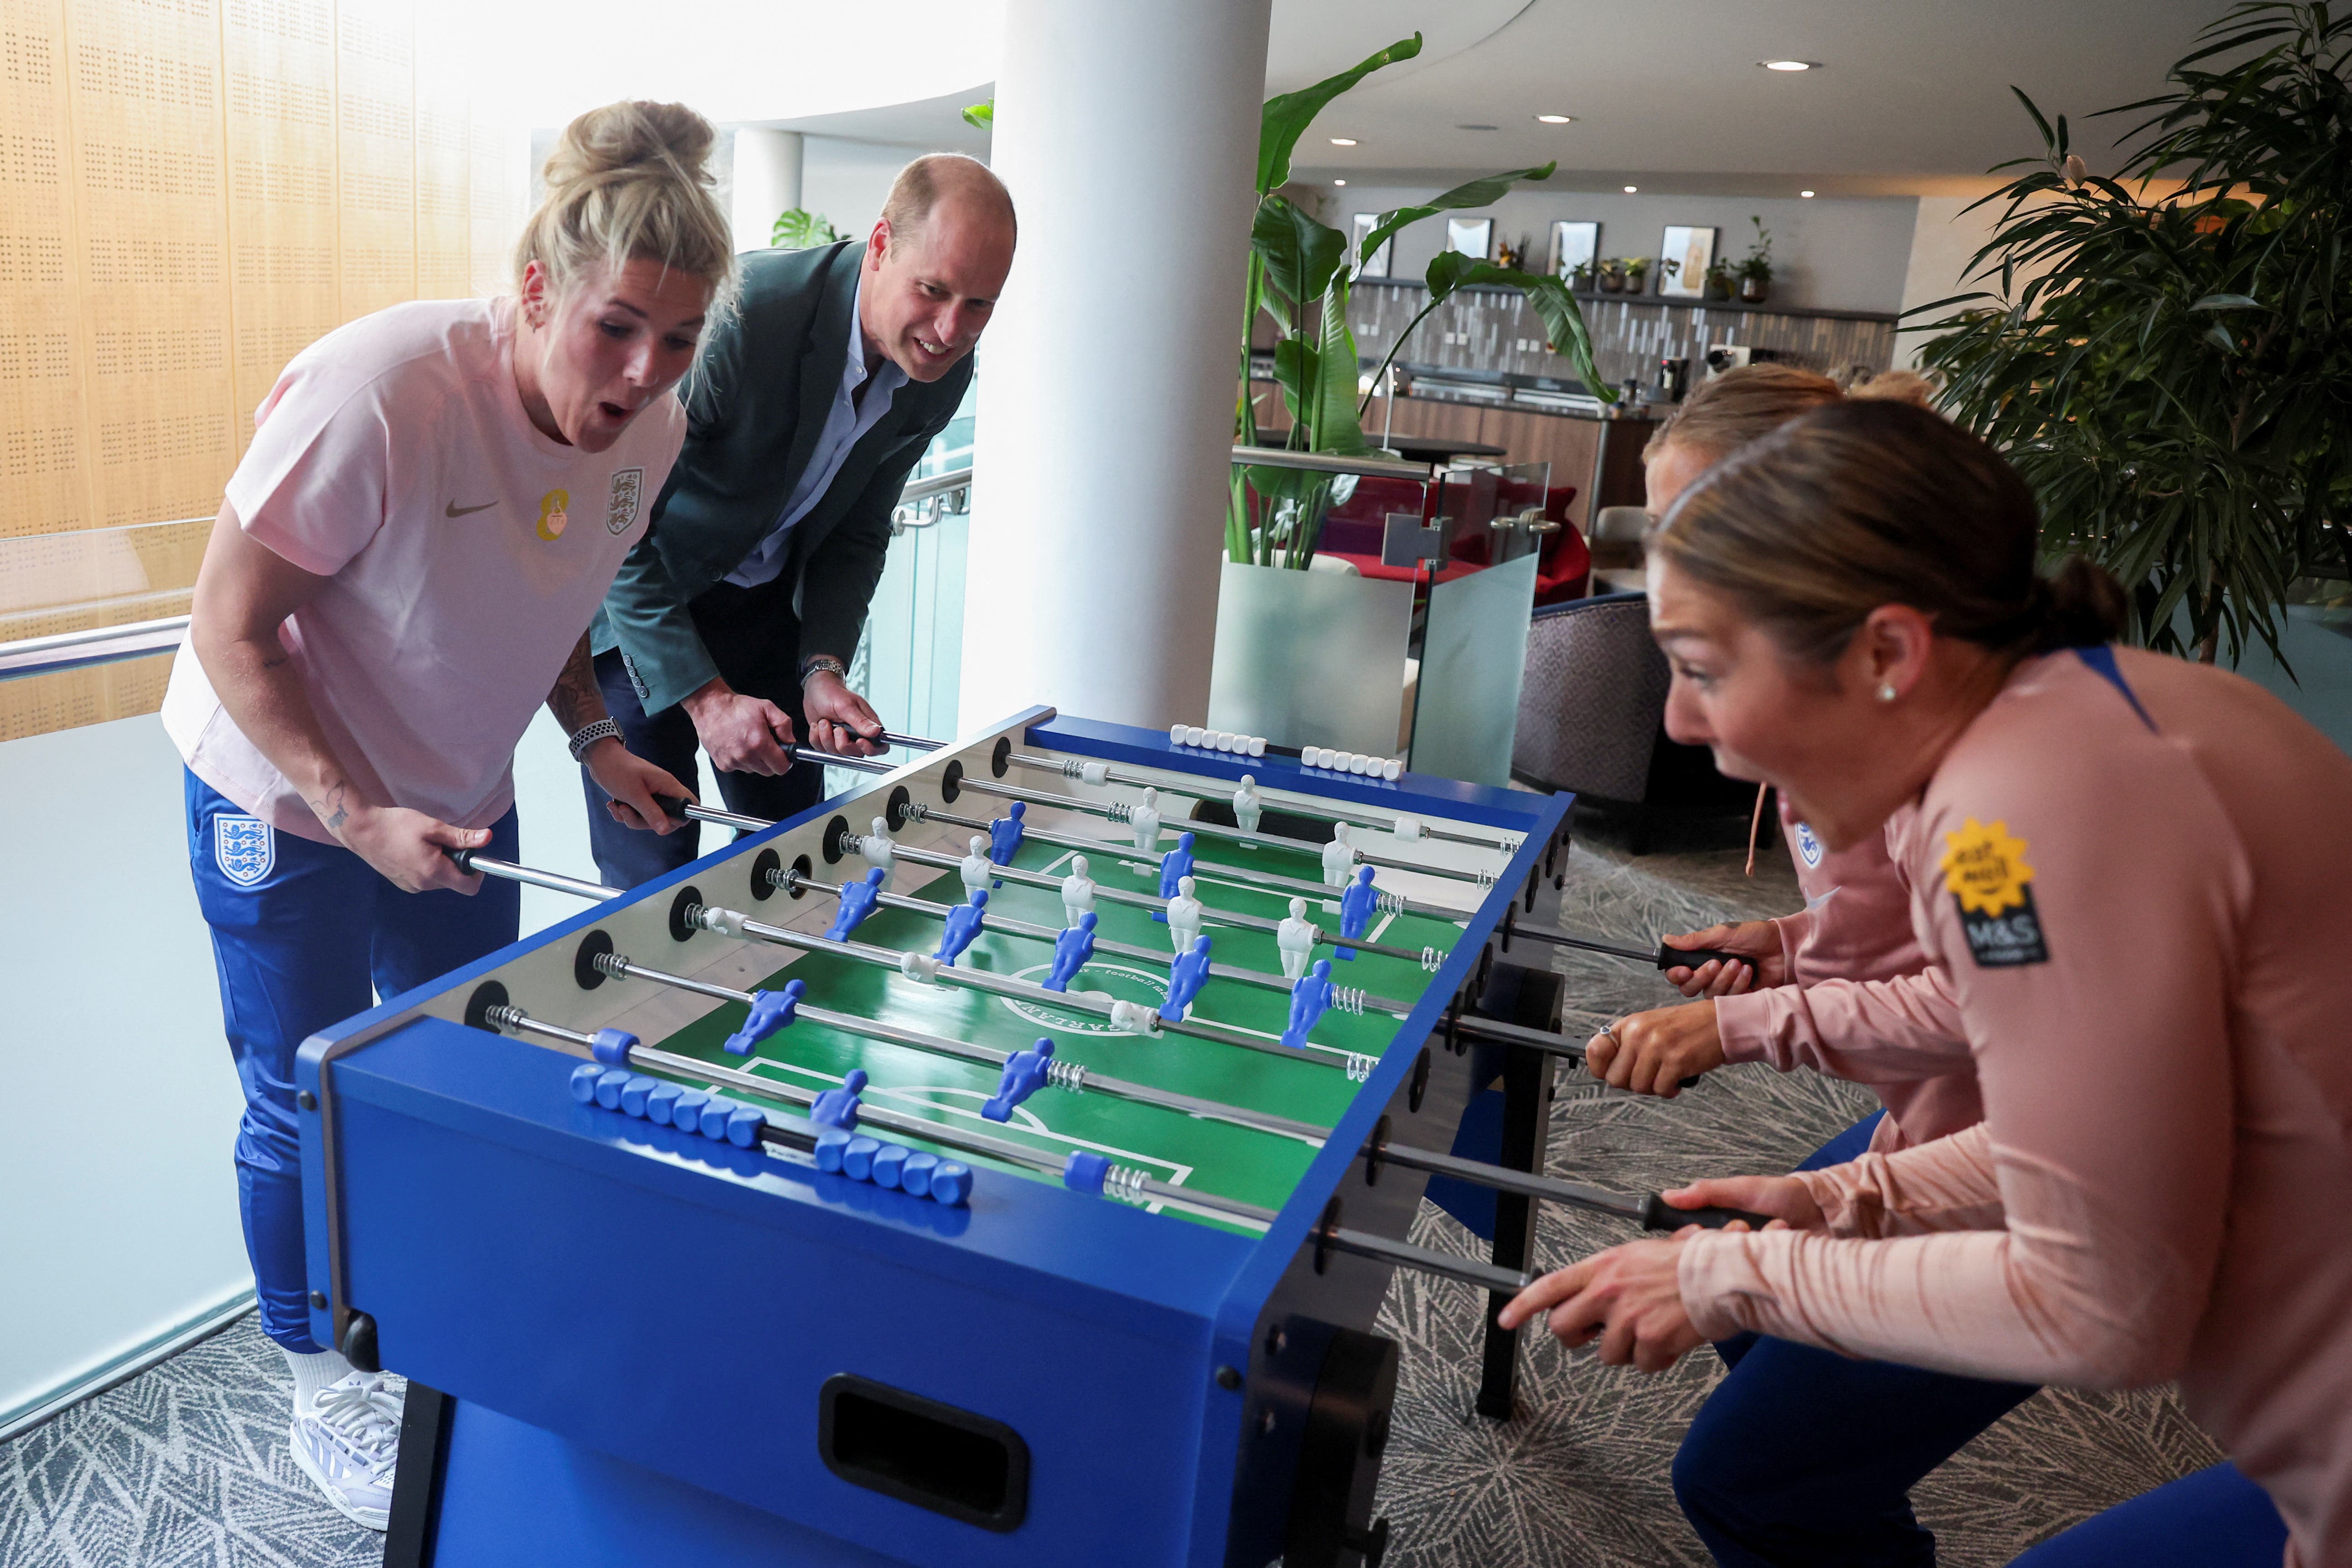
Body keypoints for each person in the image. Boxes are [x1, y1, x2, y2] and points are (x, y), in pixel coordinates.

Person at [1502, 400, 2348, 1566]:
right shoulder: (2064, 724)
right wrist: (1848, 1200)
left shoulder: (2011, 822)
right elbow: (2093, 1127)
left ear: (1889, 653)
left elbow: (2102, 1300)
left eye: (1700, 668)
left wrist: (1733, 1268)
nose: (1676, 720)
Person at [165, 101, 732, 1530]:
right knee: (305, 1092)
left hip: (455, 798)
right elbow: (231, 625)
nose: (647, 370)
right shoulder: (384, 390)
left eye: (679, 337)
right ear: (537, 288)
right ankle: (317, 1389)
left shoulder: (648, 431)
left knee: (468, 1063)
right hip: (285, 794)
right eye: (618, 327)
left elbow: (552, 595)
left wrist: (596, 739)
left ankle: (436, 1327)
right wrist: (354, 812)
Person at [1582, 366, 2017, 1565]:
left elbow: (2008, 1022)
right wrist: (1782, 950)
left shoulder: (1987, 800)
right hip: (1980, 1137)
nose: (1680, 722)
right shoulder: (1922, 735)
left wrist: (1746, 1030)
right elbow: (1933, 947)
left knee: (1743, 1470)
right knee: (1755, 1312)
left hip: (2050, 1180)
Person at [586, 153, 1017, 886]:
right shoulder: (746, 316)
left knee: (796, 857)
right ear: (880, 246)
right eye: (934, 290)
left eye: (980, 304)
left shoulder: (937, 372)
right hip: (645, 610)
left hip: (760, 608)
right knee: (653, 875)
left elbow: (858, 530)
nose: (951, 330)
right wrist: (706, 699)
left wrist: (821, 666)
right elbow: (613, 523)